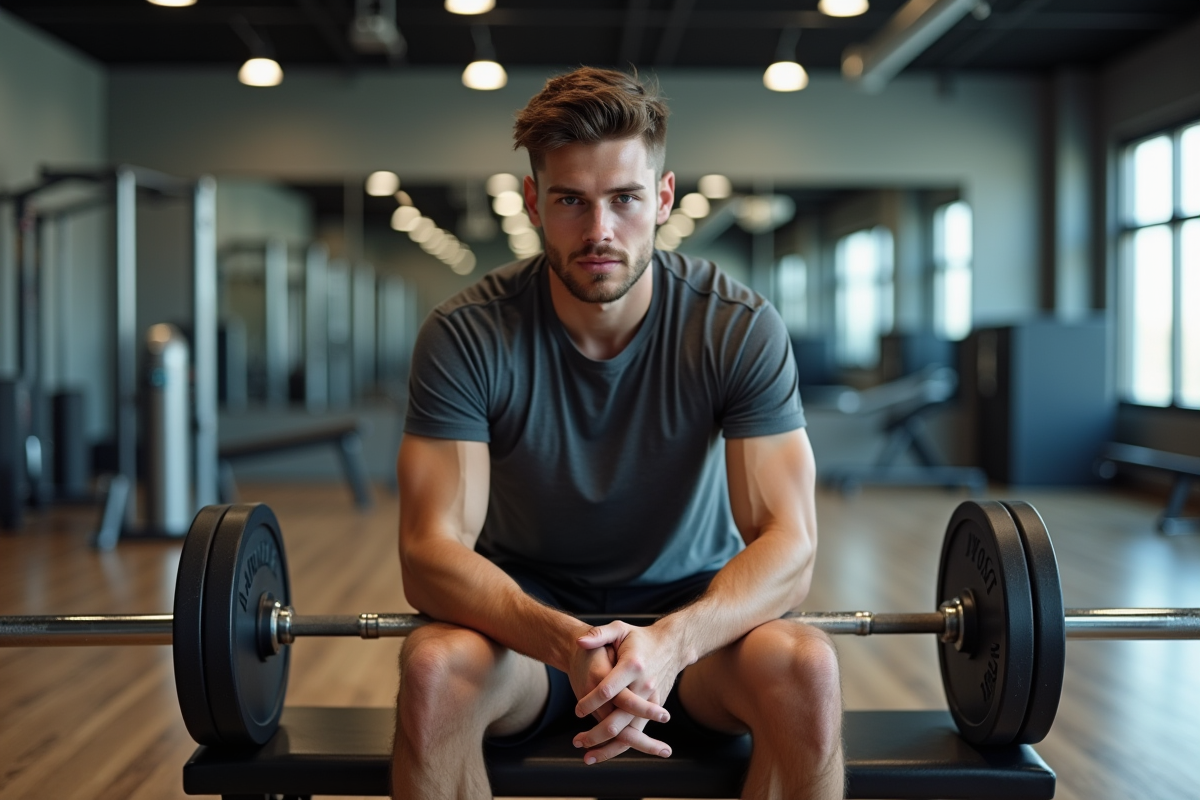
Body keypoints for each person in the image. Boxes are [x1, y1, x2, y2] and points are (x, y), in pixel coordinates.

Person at [393, 66, 843, 800]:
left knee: (807, 669)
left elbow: (790, 545)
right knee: (432, 671)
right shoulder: (466, 335)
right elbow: (429, 554)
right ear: (534, 202)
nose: (599, 230)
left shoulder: (737, 327)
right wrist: (568, 643)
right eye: (571, 200)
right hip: (528, 629)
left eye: (625, 199)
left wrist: (670, 642)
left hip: (697, 622)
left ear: (662, 198)